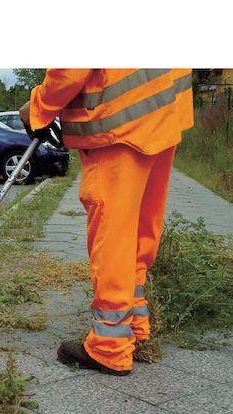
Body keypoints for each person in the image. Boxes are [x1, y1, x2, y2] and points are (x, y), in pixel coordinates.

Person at [20, 69, 193, 376]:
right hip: (162, 113)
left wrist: (38, 107)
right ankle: (135, 328)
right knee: (138, 229)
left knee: (113, 235)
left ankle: (109, 346)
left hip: (118, 123)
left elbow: (70, 69)